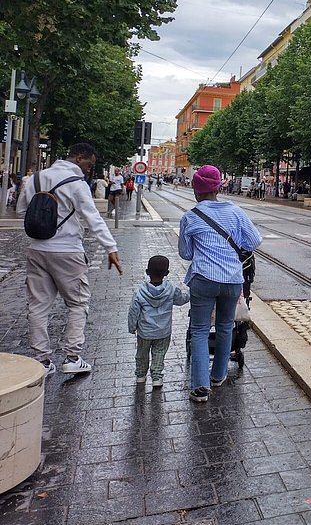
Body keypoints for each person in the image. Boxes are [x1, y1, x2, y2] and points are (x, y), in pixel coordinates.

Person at [16, 143, 123, 376]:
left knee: (37, 305)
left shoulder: (35, 179)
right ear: (80, 158)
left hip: (37, 248)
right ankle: (72, 357)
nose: (89, 170)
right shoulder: (76, 183)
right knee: (78, 303)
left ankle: (42, 361)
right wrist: (111, 248)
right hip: (67, 251)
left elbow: (21, 210)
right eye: (89, 164)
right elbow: (93, 218)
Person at [178, 165, 261, 403]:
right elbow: (254, 240)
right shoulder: (236, 212)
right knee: (225, 327)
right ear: (218, 188)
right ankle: (218, 376)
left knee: (200, 330)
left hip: (203, 279)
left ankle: (200, 386)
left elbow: (185, 253)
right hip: (233, 281)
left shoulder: (190, 216)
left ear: (196, 189)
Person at [128, 255, 189, 388]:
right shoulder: (171, 289)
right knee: (159, 354)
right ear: (166, 273)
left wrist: (132, 327)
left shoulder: (140, 292)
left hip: (144, 332)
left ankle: (140, 376)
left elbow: (133, 311)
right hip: (163, 331)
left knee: (142, 354)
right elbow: (181, 299)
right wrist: (191, 292)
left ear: (147, 272)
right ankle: (156, 377)